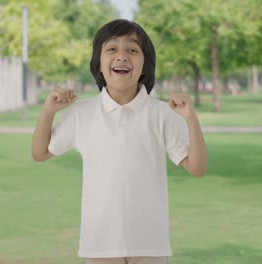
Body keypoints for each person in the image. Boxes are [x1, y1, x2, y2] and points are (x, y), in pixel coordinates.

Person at [32, 19, 207, 264]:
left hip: (149, 244)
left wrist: (191, 119)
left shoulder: (162, 113)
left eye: (132, 50)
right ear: (99, 64)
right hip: (99, 244)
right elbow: (40, 153)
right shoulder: (83, 113)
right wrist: (48, 112)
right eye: (112, 49)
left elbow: (197, 168)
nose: (122, 56)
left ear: (145, 64)